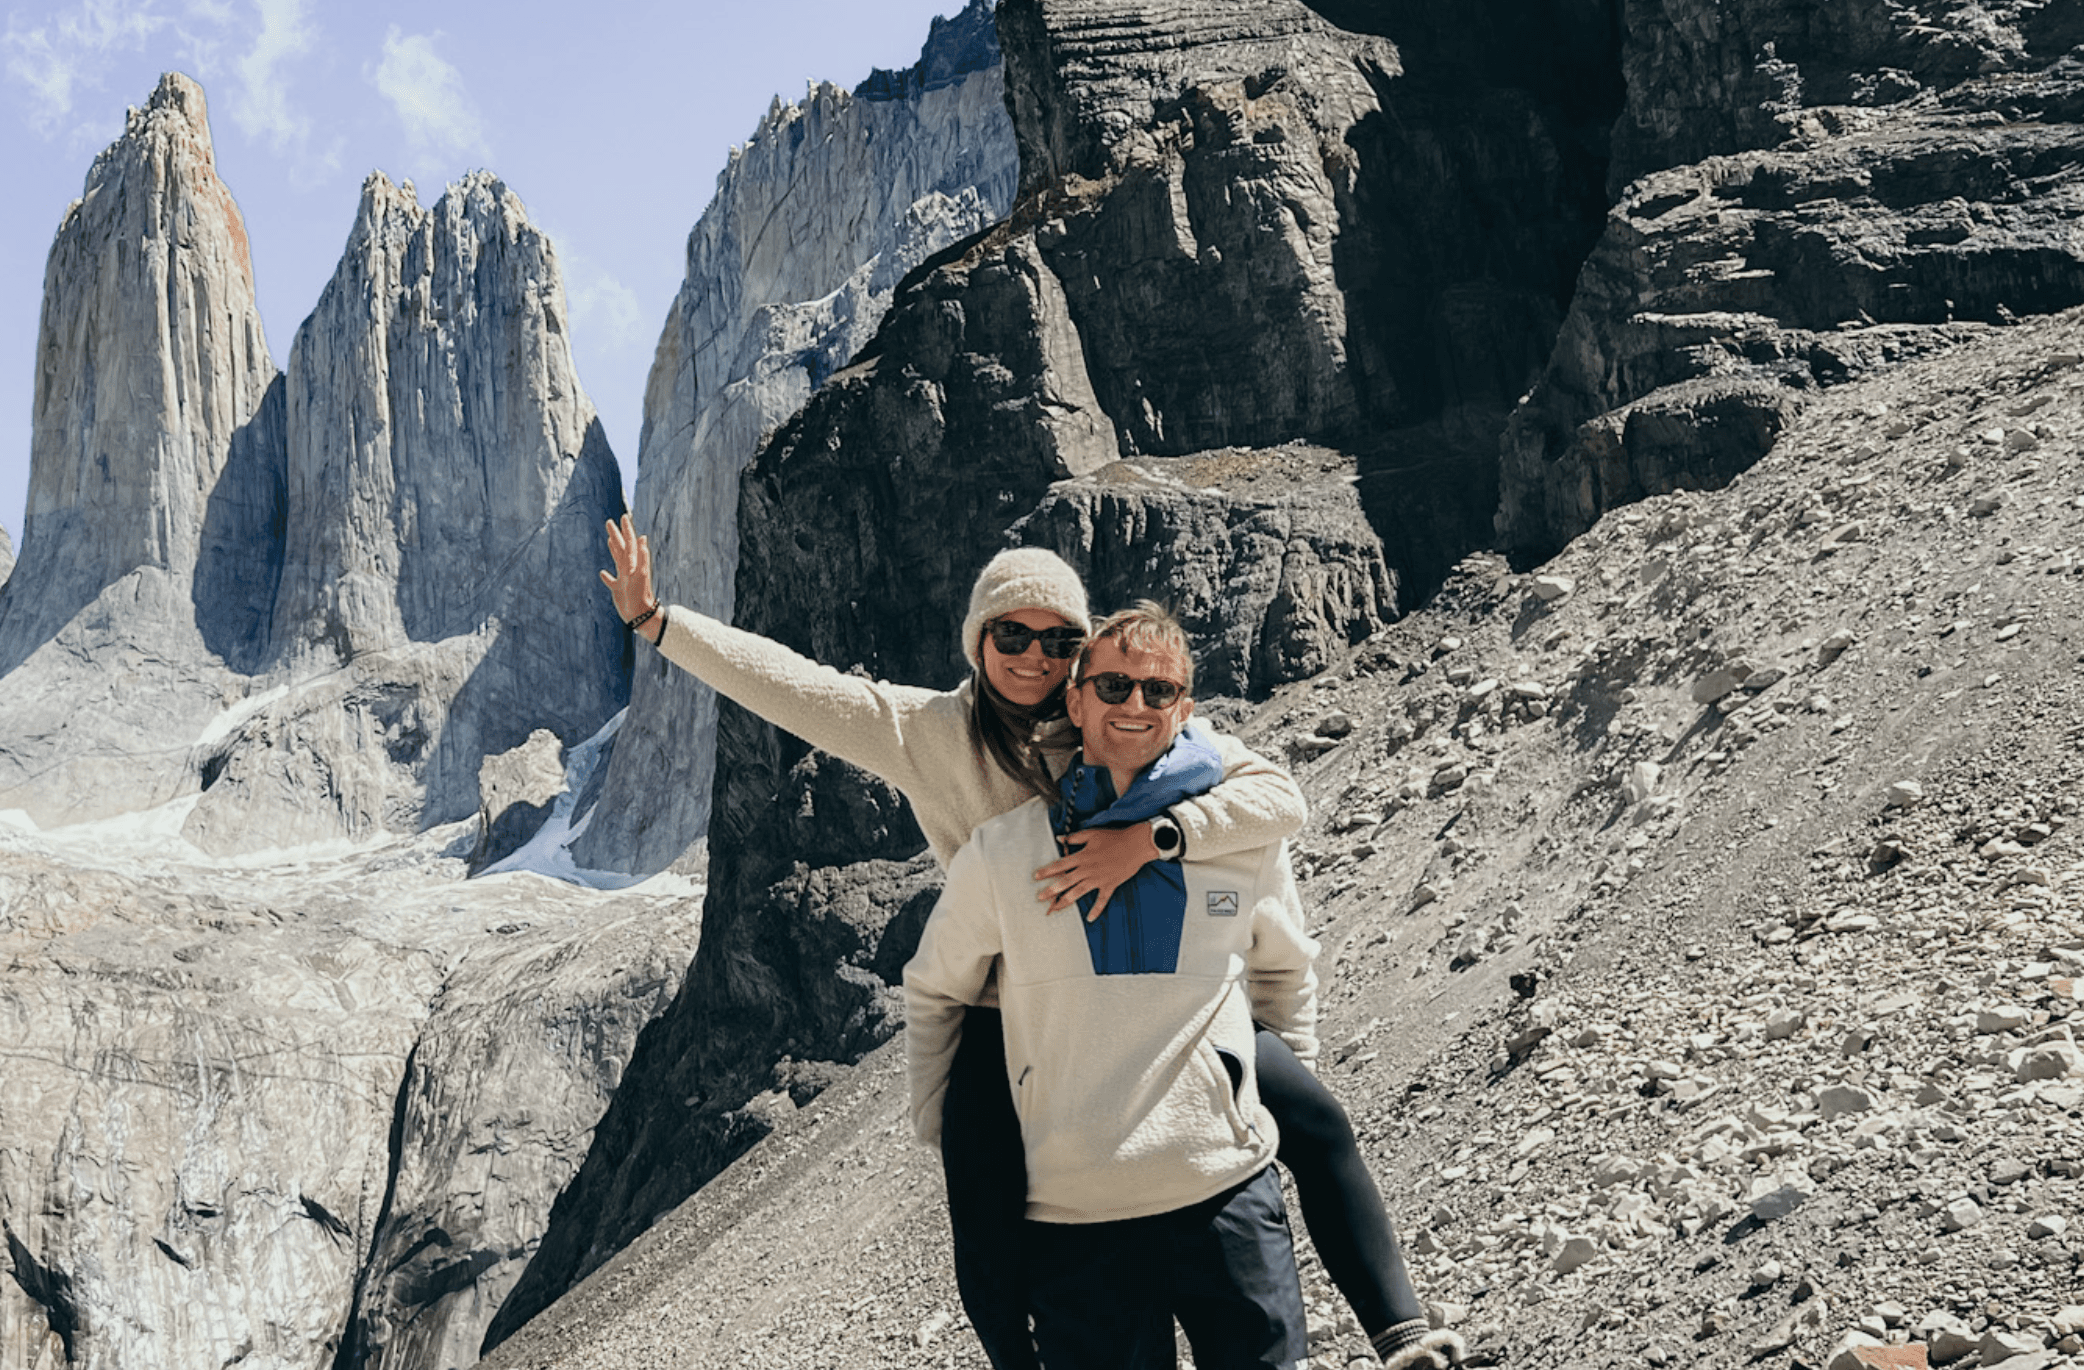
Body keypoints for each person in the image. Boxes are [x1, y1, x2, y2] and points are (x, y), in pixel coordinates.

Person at [602, 518, 1463, 1370]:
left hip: (1145, 990)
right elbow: (794, 687)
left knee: (1309, 1115)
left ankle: (1403, 1336)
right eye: (1012, 633)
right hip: (1001, 999)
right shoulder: (926, 732)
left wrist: (1155, 837)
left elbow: (1274, 796)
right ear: (979, 640)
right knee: (984, 1212)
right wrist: (659, 624)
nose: (1035, 656)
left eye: (1058, 641)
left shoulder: (1116, 711)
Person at [906, 604, 1318, 1368]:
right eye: (1115, 686)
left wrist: (1251, 1105)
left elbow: (1285, 971)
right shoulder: (1004, 854)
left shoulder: (1239, 840)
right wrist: (941, 1126)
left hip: (1227, 1195)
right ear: (1075, 699)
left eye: (1159, 692)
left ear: (1186, 710)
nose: (1136, 706)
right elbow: (936, 992)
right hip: (1073, 1222)